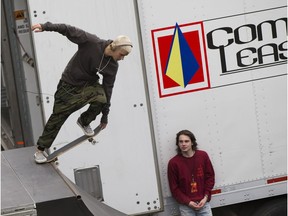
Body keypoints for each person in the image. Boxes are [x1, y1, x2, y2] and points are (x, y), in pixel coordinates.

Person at [31, 22, 133, 163]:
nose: (122, 58)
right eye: (122, 55)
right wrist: (45, 26)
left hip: (88, 86)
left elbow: (108, 89)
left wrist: (105, 116)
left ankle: (84, 121)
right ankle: (40, 150)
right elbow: (67, 29)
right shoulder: (91, 41)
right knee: (58, 117)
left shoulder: (112, 66)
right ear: (114, 47)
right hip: (68, 85)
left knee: (101, 99)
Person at [167, 130, 215, 216]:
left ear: (192, 142)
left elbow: (210, 177)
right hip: (186, 207)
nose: (183, 144)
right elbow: (174, 188)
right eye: (180, 141)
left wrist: (205, 197)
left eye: (186, 141)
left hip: (203, 203)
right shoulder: (173, 163)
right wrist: (188, 202)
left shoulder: (203, 156)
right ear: (178, 144)